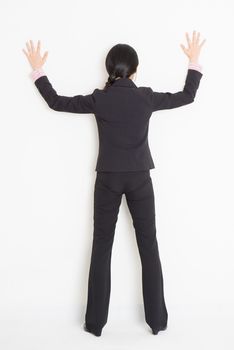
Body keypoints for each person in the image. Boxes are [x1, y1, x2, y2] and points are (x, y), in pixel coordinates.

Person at [22, 31, 206, 337]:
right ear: (135, 70)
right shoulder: (145, 96)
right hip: (139, 179)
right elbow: (186, 96)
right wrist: (194, 63)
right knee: (149, 246)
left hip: (107, 179)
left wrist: (39, 71)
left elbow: (56, 102)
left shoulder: (100, 99)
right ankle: (158, 322)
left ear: (110, 70)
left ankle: (95, 324)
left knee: (101, 247)